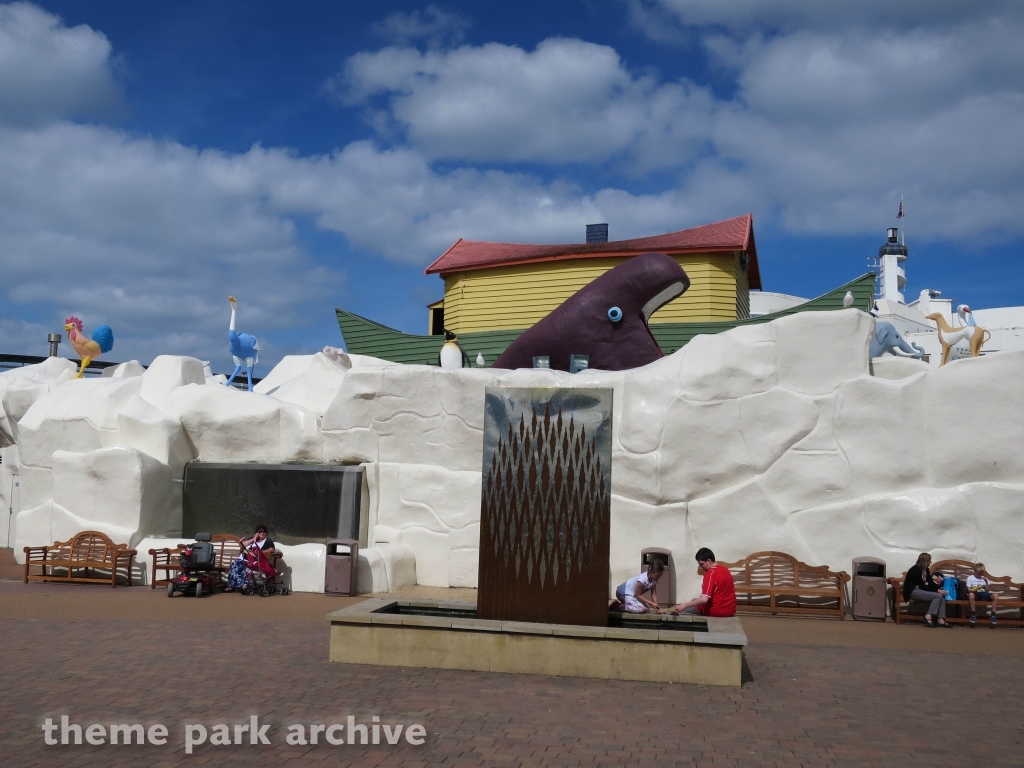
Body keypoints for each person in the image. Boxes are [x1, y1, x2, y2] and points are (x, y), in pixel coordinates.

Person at [672, 548, 736, 617]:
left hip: (717, 610)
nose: (700, 567)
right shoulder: (725, 569)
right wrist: (697, 601)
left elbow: (704, 599)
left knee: (680, 611)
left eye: (701, 564)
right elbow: (719, 593)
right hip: (731, 610)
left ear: (709, 561)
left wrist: (684, 605)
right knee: (693, 603)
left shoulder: (710, 574)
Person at [903, 552, 952, 627]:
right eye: (929, 561)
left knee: (940, 596)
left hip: (921, 590)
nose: (930, 562)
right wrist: (938, 591)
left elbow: (930, 583)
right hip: (913, 591)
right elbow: (922, 586)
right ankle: (928, 616)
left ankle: (941, 619)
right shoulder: (915, 570)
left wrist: (939, 588)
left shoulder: (926, 570)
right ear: (925, 561)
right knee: (938, 596)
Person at [225, 524, 276, 591]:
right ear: (257, 533)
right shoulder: (253, 540)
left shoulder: (267, 540)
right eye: (260, 531)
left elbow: (272, 549)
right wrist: (254, 538)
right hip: (243, 558)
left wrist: (261, 552)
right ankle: (233, 585)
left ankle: (242, 585)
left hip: (253, 561)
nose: (262, 533)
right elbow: (243, 544)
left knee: (239, 566)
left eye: (264, 531)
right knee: (234, 564)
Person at [966, 562, 1000, 628]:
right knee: (971, 595)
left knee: (996, 595)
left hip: (983, 593)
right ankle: (973, 614)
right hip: (975, 593)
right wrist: (975, 589)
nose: (980, 575)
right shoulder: (970, 578)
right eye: (978, 574)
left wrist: (986, 582)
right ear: (974, 571)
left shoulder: (984, 579)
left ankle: (993, 615)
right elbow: (969, 589)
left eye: (981, 574)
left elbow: (987, 591)